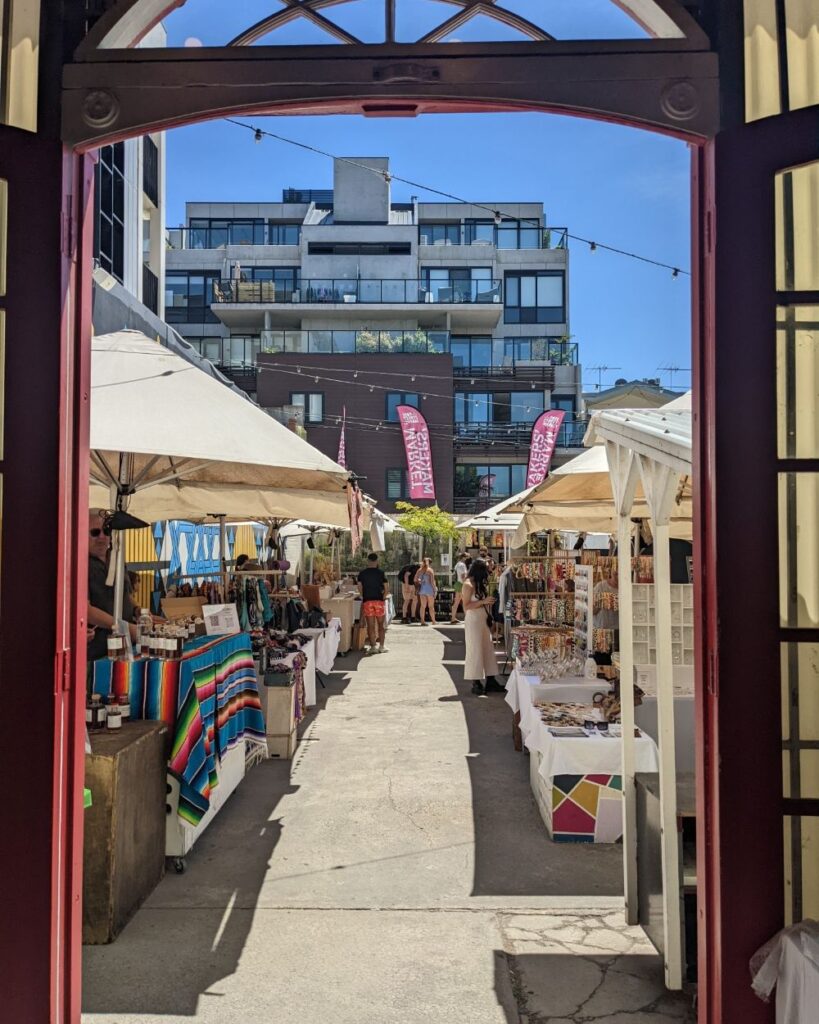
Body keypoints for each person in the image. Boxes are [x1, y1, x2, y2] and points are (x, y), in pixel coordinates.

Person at [87, 509, 136, 664]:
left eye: (106, 531)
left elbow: (125, 595)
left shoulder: (116, 558)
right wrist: (124, 628)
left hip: (127, 646)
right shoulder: (79, 563)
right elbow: (85, 610)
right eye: (95, 532)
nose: (102, 537)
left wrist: (138, 610)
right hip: (99, 652)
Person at [461, 558, 502, 695]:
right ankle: (476, 681)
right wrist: (483, 601)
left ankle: (491, 679)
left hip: (483, 619)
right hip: (473, 620)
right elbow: (466, 606)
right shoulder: (468, 585)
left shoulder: (479, 584)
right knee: (475, 649)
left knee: (488, 649)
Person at [357, 552, 389, 654]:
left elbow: (359, 586)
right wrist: (383, 597)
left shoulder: (362, 573)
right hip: (379, 601)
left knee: (370, 625)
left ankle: (373, 647)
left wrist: (363, 595)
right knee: (381, 624)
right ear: (377, 561)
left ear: (368, 561)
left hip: (368, 601)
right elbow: (387, 588)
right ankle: (382, 646)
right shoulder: (381, 572)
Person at [414, 557, 437, 625]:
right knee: (431, 606)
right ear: (429, 563)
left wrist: (420, 581)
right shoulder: (430, 570)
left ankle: (422, 621)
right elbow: (432, 582)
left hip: (422, 590)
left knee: (423, 606)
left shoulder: (419, 570)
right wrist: (435, 590)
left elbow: (415, 579)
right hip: (429, 589)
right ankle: (433, 621)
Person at [398, 557, 420, 623]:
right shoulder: (414, 568)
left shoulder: (419, 570)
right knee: (407, 600)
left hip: (413, 584)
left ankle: (413, 617)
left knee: (415, 600)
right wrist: (407, 586)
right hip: (406, 584)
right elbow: (406, 575)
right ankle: (404, 617)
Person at [450, 552, 468, 623]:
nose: (466, 559)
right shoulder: (462, 565)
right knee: (465, 602)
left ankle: (453, 618)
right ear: (463, 557)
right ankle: (467, 618)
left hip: (457, 584)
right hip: (462, 584)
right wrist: (466, 584)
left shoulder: (457, 564)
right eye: (466, 557)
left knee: (456, 602)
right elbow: (463, 576)